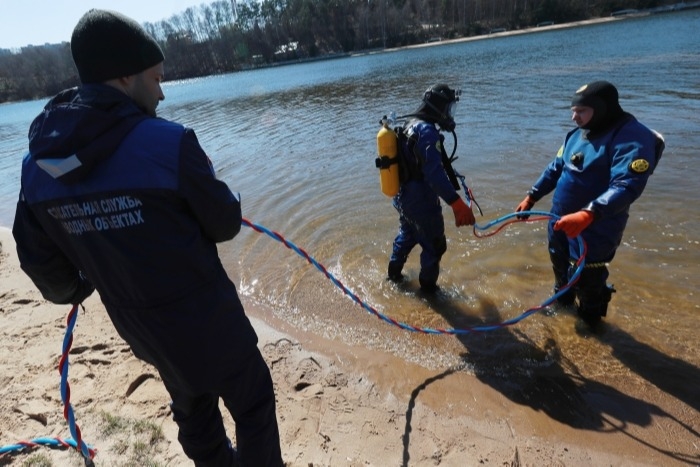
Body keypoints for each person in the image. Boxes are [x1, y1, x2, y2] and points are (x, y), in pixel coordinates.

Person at [12, 9, 283, 466]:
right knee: (253, 402)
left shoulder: (36, 169)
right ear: (123, 76)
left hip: (144, 329)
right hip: (209, 319)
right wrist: (225, 200)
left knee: (190, 401)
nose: (160, 92)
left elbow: (43, 267)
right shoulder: (167, 144)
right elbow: (223, 223)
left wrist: (81, 285)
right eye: (156, 79)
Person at [515, 80, 664, 328]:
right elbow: (555, 168)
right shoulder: (577, 135)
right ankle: (562, 306)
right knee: (560, 268)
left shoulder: (632, 137)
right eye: (573, 111)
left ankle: (591, 327)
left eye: (581, 111)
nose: (574, 117)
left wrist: (589, 214)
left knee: (588, 281)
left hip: (595, 229)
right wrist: (532, 196)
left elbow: (627, 185)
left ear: (602, 108)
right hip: (560, 220)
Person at [387, 84, 476, 293]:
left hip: (403, 196)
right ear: (438, 107)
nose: (449, 115)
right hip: (421, 199)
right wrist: (457, 204)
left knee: (408, 234)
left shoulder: (410, 123)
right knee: (435, 245)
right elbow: (433, 174)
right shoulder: (426, 131)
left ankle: (393, 277)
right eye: (448, 109)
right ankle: (429, 293)